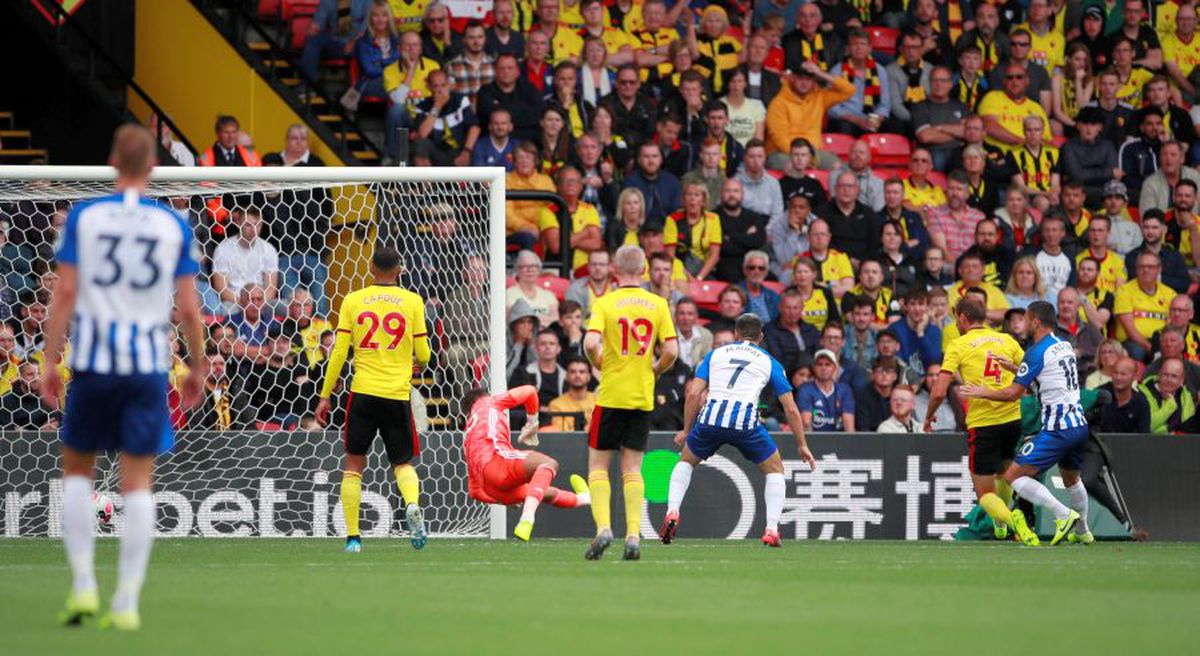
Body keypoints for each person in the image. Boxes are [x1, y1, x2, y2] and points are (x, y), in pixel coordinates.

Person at [42, 125, 206, 630]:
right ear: (152, 167)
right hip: (146, 367)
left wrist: (50, 360)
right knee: (137, 483)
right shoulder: (169, 225)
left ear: (114, 163)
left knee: (77, 472)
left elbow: (64, 294)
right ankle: (128, 601)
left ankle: (84, 587)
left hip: (92, 363)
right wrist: (197, 366)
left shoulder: (86, 218)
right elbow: (190, 308)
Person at [662, 313, 816, 547]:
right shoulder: (769, 362)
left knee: (685, 462)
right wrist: (802, 445)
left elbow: (694, 393)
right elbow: (791, 409)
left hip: (710, 419)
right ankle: (772, 529)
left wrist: (686, 429)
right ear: (761, 337)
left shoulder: (715, 354)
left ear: (736, 334)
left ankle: (672, 510)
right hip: (745, 423)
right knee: (775, 469)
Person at [315, 247, 430, 554]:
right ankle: (412, 505)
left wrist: (325, 395)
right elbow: (426, 355)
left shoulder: (353, 300)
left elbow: (339, 353)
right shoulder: (413, 301)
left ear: (370, 268)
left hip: (363, 393)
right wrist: (413, 360)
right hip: (396, 395)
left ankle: (353, 538)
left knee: (353, 465)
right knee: (402, 463)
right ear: (400, 269)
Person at [959, 301, 1095, 546]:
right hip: (1079, 425)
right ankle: (1083, 529)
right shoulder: (1063, 345)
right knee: (1072, 479)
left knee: (1012, 475)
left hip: (1058, 428)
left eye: (1026, 318)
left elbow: (1013, 393)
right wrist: (1017, 368)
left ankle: (1063, 514)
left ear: (1035, 321)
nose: (1023, 324)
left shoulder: (1035, 351)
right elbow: (1046, 381)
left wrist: (982, 391)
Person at [581, 245, 678, 561]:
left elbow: (590, 342)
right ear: (645, 269)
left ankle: (604, 528)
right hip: (641, 396)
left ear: (614, 270)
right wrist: (656, 368)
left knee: (598, 467)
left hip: (610, 395)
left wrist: (598, 363)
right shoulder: (658, 304)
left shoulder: (605, 303)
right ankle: (634, 535)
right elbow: (673, 352)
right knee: (633, 469)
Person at [923, 298, 1034, 544]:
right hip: (1012, 420)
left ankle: (1014, 520)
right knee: (1004, 473)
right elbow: (1031, 371)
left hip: (984, 425)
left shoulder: (958, 345)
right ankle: (1000, 523)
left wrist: (929, 415)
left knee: (984, 494)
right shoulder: (1007, 340)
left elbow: (940, 391)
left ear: (962, 317)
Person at [462, 385, 590, 542]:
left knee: (541, 492)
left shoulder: (468, 438)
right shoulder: (489, 402)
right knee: (548, 463)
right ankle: (527, 519)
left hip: (492, 487)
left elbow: (474, 492)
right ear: (484, 397)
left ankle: (584, 499)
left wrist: (503, 500)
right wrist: (531, 423)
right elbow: (530, 391)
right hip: (497, 461)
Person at [765, 61, 855, 168]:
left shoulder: (819, 97)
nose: (804, 83)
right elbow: (779, 138)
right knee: (791, 167)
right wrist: (801, 156)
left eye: (808, 79)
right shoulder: (778, 103)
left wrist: (820, 73)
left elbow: (849, 90)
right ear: (792, 78)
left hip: (813, 152)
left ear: (814, 81)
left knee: (841, 168)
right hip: (783, 153)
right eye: (800, 78)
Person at [827, 29, 891, 138]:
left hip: (871, 118)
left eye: (862, 44)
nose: (859, 48)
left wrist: (876, 119)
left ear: (869, 48)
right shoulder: (836, 71)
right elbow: (832, 108)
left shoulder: (880, 71)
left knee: (894, 126)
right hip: (847, 120)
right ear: (848, 49)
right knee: (843, 127)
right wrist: (856, 120)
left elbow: (885, 105)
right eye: (855, 44)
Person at [1114, 251, 1176, 362]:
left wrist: (1162, 347)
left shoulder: (1170, 294)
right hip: (1132, 342)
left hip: (1160, 341)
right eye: (1142, 266)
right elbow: (1130, 330)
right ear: (1136, 269)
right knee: (1138, 352)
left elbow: (1171, 326)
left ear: (1159, 269)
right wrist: (1152, 349)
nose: (1146, 270)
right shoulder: (1124, 291)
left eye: (1150, 267)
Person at [410, 70, 480, 166]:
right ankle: (428, 180)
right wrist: (437, 106)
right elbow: (422, 135)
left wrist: (466, 152)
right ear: (429, 87)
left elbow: (474, 127)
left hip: (459, 151)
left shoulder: (460, 100)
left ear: (449, 85)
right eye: (435, 86)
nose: (440, 90)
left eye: (443, 85)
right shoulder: (422, 106)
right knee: (419, 144)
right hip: (436, 153)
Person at [979, 61, 1052, 153]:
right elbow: (989, 126)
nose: (1014, 81)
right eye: (1010, 78)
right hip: (999, 156)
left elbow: (1046, 139)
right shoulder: (992, 98)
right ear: (1004, 81)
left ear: (1027, 81)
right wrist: (1023, 142)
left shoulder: (1036, 107)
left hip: (1029, 158)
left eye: (1019, 77)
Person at [912, 67, 969, 170]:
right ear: (929, 83)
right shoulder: (919, 107)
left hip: (959, 151)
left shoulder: (961, 106)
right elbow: (925, 136)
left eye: (943, 80)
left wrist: (940, 128)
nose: (939, 84)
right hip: (933, 152)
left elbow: (967, 132)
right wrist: (957, 133)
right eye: (935, 80)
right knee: (937, 159)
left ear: (950, 84)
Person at [715, 178, 769, 282]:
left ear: (742, 194)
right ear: (721, 193)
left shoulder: (753, 216)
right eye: (728, 191)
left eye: (736, 191)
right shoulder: (714, 217)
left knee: (772, 279)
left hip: (753, 263)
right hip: (726, 264)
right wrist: (746, 237)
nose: (732, 195)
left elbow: (759, 241)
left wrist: (730, 236)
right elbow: (723, 248)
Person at [927, 171, 986, 264]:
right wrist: (960, 268)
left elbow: (982, 248)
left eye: (959, 189)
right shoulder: (935, 213)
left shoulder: (979, 217)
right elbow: (942, 249)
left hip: (974, 265)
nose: (955, 193)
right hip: (947, 265)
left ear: (967, 194)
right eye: (951, 188)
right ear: (946, 192)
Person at [796, 348, 855, 431]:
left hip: (839, 441)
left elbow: (849, 427)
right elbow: (806, 424)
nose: (823, 368)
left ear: (835, 368)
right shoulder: (805, 389)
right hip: (814, 440)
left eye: (828, 365)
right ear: (814, 368)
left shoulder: (844, 390)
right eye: (819, 364)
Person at [763, 289, 820, 373]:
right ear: (780, 308)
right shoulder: (770, 330)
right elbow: (776, 362)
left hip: (813, 376)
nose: (792, 312)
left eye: (795, 308)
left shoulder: (811, 329)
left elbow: (819, 355)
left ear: (802, 308)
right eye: (788, 307)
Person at [1098, 357, 1151, 433]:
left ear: (1134, 376)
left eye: (1123, 374)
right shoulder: (1099, 394)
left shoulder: (1141, 402)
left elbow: (1143, 435)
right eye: (1115, 373)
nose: (1118, 377)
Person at [830, 141, 886, 213]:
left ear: (869, 157)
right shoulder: (836, 175)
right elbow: (838, 203)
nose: (858, 155)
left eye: (862, 152)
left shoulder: (878, 182)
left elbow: (878, 210)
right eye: (854, 152)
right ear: (849, 155)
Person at [545, 357, 597, 432]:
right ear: (566, 376)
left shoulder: (598, 402)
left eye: (582, 372)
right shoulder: (556, 405)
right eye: (572, 372)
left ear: (589, 376)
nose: (577, 375)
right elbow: (562, 433)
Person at [855, 356, 898, 432]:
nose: (884, 374)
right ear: (872, 375)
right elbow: (863, 428)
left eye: (888, 371)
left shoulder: (899, 395)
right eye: (880, 371)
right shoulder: (862, 396)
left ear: (895, 376)